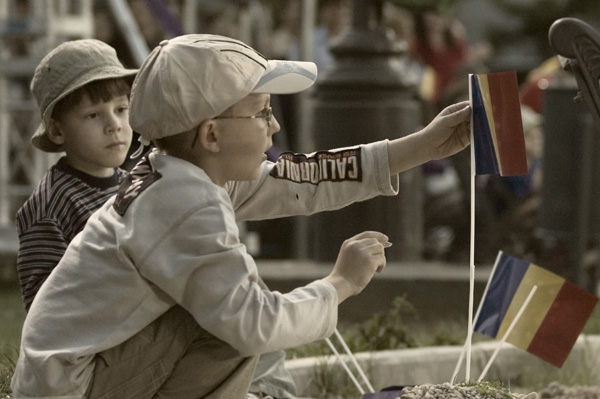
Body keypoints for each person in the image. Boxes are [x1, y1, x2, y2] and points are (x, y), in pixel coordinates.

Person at [11, 34, 471, 398]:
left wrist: (421, 146)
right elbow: (255, 325)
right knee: (237, 324)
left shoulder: (179, 172)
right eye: (262, 112)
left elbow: (300, 179)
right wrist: (340, 284)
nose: (273, 125)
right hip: (74, 387)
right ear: (211, 134)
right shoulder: (183, 206)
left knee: (227, 311)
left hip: (77, 376)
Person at [14, 39, 137, 311]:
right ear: (58, 131)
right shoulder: (50, 206)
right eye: (94, 115)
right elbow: (43, 305)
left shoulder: (132, 183)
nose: (114, 126)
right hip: (90, 338)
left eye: (120, 109)